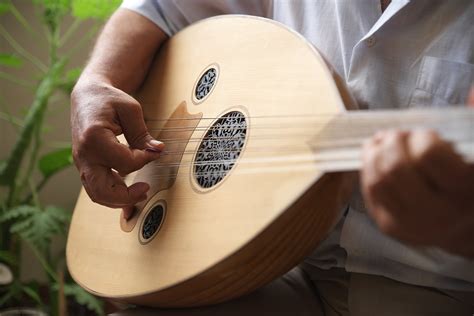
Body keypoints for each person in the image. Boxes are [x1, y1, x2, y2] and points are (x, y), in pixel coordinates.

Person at [71, 0, 474, 315]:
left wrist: (461, 228)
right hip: (275, 262)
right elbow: (160, 9)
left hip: (433, 291)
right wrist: (96, 82)